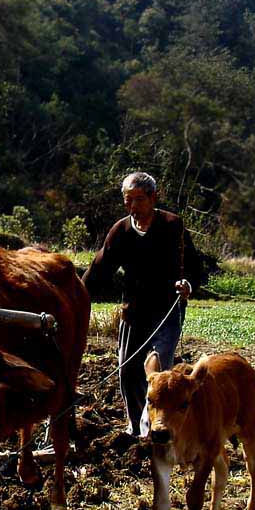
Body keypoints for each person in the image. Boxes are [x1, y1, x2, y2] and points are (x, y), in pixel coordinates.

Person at [82, 172, 202, 437]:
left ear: (152, 198)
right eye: (128, 200)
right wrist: (77, 295)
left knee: (159, 370)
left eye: (138, 199)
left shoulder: (172, 226)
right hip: (134, 311)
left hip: (167, 310)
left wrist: (188, 284)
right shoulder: (121, 231)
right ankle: (137, 427)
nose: (133, 206)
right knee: (127, 371)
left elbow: (193, 265)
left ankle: (160, 426)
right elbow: (99, 269)